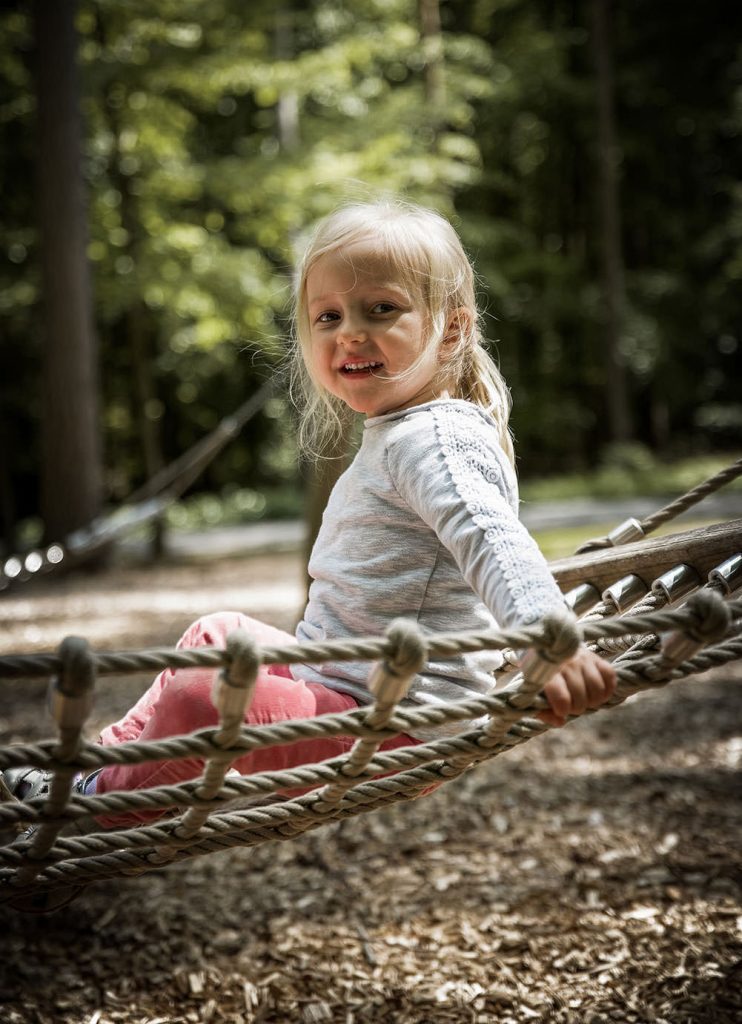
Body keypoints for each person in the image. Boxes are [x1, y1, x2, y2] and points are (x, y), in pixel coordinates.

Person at [4, 199, 615, 824]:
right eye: (329, 316)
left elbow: (490, 537)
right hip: (340, 688)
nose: (349, 332)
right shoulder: (403, 431)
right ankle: (97, 766)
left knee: (203, 696)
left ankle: (93, 805)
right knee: (217, 634)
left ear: (452, 330)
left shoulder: (432, 439)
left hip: (393, 726)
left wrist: (550, 642)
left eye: (382, 309)